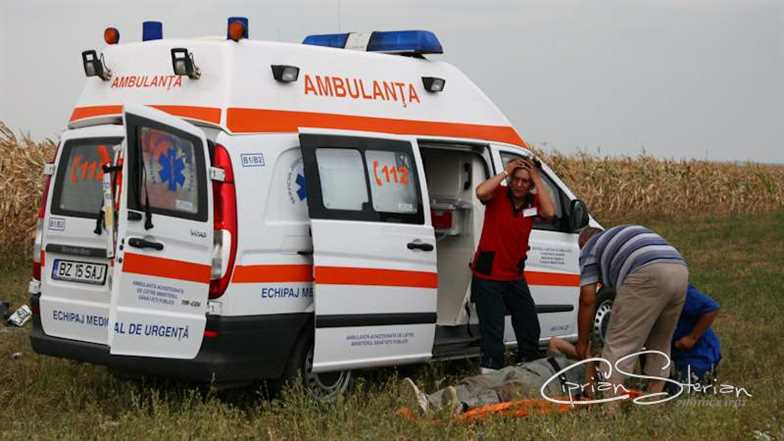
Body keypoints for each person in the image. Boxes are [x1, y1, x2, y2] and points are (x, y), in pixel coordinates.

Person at [575, 225, 688, 395]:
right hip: (679, 269)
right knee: (660, 342)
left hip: (646, 271)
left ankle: (610, 405)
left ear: (583, 242)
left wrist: (582, 343)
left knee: (619, 344)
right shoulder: (617, 238)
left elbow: (587, 299)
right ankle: (654, 400)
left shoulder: (589, 248)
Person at [470, 157, 556, 373]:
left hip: (514, 276)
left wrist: (537, 176)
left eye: (525, 181)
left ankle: (528, 368)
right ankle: (490, 374)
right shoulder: (497, 194)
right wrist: (505, 172)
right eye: (516, 179)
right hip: (488, 275)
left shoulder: (533, 203)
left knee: (529, 325)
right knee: (493, 329)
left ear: (531, 184)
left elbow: (550, 212)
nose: (519, 184)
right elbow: (480, 192)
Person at [399, 337, 590, 415]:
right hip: (525, 369)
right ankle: (427, 402)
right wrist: (581, 352)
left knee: (503, 393)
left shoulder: (596, 376)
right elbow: (554, 343)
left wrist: (590, 361)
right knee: (476, 382)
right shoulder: (570, 359)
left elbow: (590, 394)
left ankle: (459, 407)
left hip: (547, 383)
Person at [670, 283, 721, 384]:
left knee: (684, 389)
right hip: (670, 354)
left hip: (697, 355)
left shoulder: (676, 288)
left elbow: (711, 308)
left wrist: (691, 338)